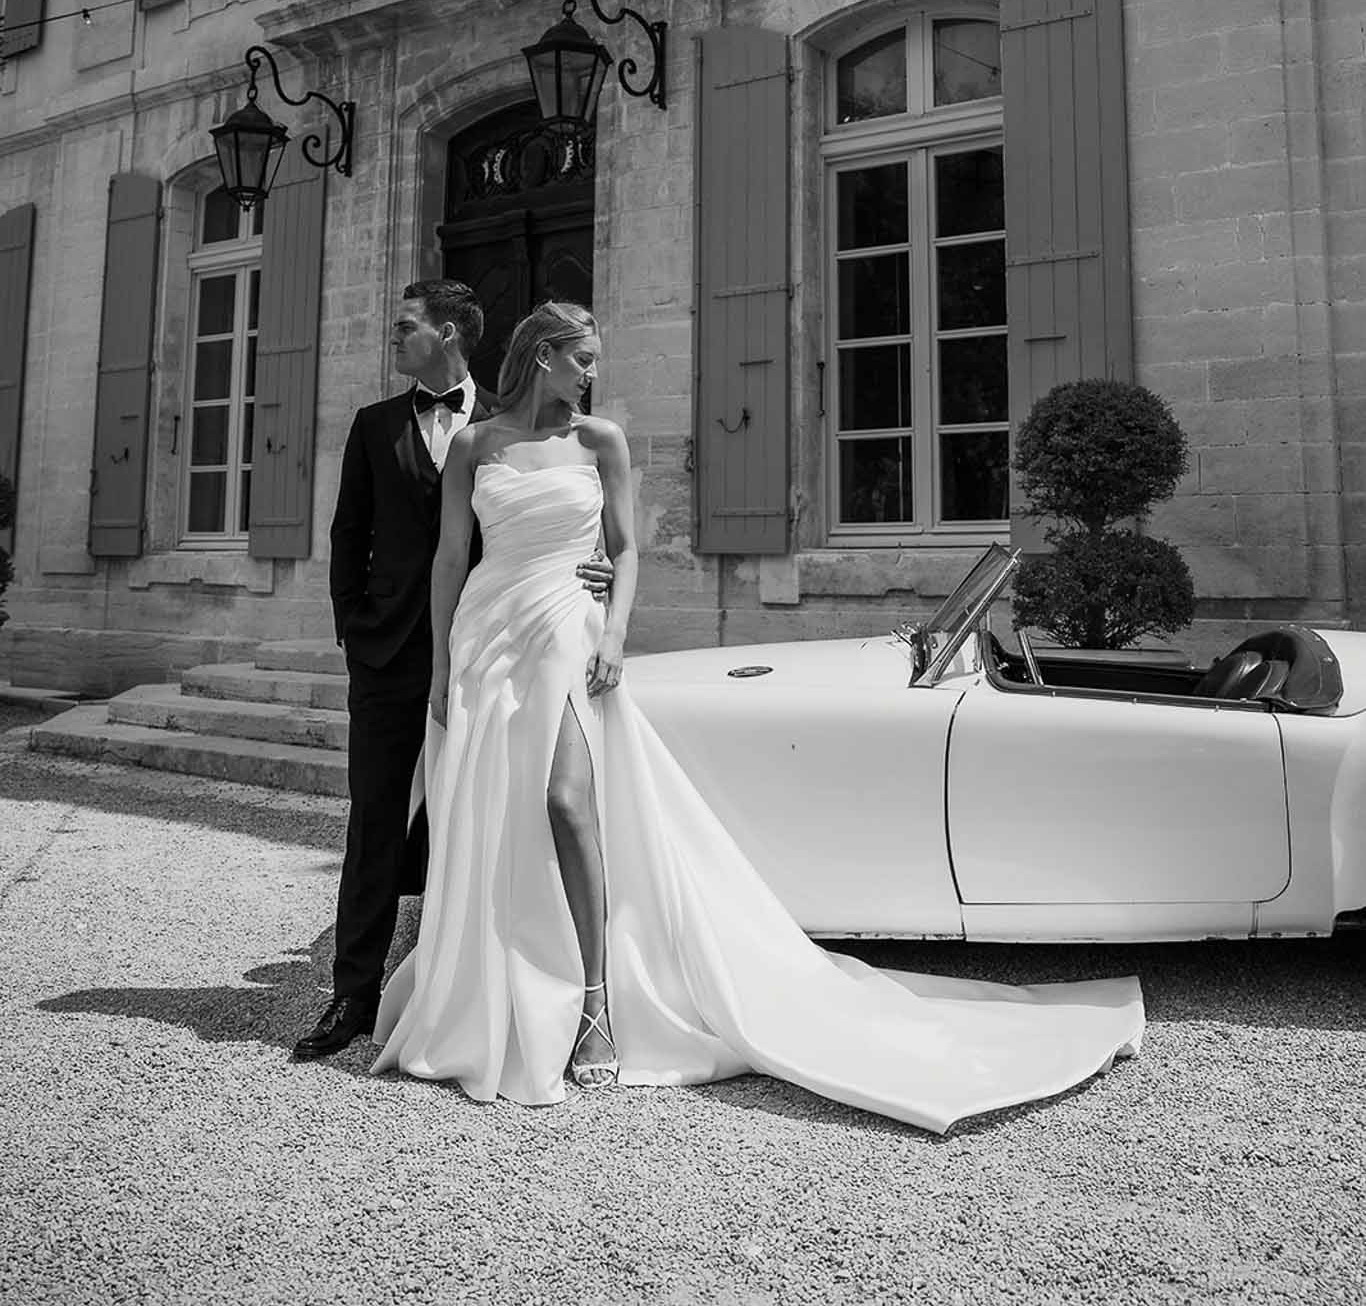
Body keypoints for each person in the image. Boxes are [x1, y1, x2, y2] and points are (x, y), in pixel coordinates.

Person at [372, 302, 1145, 1132]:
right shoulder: (477, 445)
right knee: (494, 812)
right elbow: (450, 558)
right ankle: (502, 990)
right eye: (582, 358)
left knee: (567, 802)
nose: (592, 373)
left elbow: (624, 549)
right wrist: (442, 666)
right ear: (542, 357)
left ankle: (595, 1003)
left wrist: (617, 634)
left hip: (569, 627)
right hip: (489, 632)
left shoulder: (602, 441)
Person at [293, 279, 609, 1062]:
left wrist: (592, 567)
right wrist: (353, 628)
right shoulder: (373, 425)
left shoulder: (514, 421)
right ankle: (353, 994)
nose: (393, 337)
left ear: (451, 334)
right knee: (374, 820)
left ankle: (467, 982)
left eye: (407, 326)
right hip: (389, 653)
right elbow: (348, 534)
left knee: (480, 810)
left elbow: (568, 516)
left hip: (501, 645)